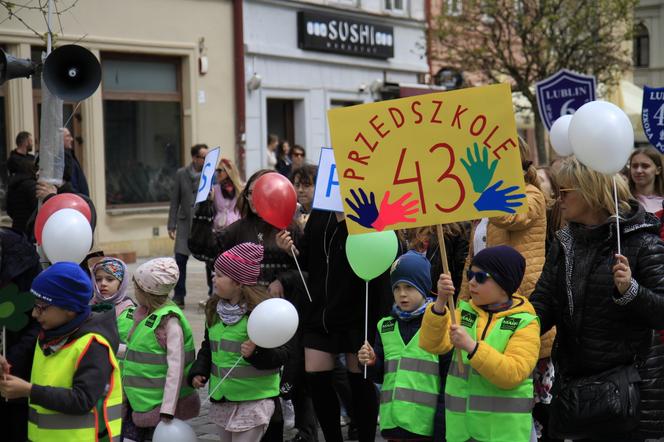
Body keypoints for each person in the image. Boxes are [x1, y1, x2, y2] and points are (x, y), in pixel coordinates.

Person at [530, 157, 664, 441]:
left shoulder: (642, 241)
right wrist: (507, 328)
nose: (557, 198)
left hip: (629, 392)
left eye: (564, 192)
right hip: (576, 390)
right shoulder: (564, 242)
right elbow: (543, 304)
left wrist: (631, 291)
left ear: (590, 192)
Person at [277, 211, 391, 442]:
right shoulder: (321, 212)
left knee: (359, 377)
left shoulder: (367, 206)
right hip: (321, 309)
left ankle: (365, 435)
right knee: (316, 375)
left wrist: (345, 223)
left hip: (357, 308)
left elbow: (380, 253)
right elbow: (308, 258)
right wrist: (291, 250)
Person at [420, 245, 541, 442]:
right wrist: (440, 303)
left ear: (504, 284)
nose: (472, 283)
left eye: (481, 277)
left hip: (502, 434)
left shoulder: (525, 323)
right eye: (470, 275)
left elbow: (513, 373)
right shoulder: (463, 311)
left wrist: (472, 347)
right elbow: (431, 345)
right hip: (461, 431)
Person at [0, 262, 122, 441]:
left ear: (69, 309)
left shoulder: (93, 344)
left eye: (41, 307)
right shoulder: (50, 336)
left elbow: (82, 400)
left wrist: (29, 391)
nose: (34, 314)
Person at [188, 243, 287, 441]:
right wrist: (199, 371)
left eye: (220, 275)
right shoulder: (214, 310)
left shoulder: (260, 314)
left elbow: (282, 355)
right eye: (214, 273)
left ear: (239, 282)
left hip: (254, 399)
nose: (213, 279)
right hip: (223, 399)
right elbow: (209, 348)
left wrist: (256, 353)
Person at [358, 250, 444, 441]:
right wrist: (371, 362)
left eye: (409, 287)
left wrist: (441, 428)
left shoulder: (438, 323)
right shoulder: (385, 325)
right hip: (392, 425)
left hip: (425, 426)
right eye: (397, 288)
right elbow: (380, 375)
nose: (402, 294)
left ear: (423, 287)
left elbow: (447, 381)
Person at [121, 257, 200, 442]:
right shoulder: (145, 314)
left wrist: (168, 408)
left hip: (159, 408)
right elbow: (139, 353)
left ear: (146, 292)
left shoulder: (170, 322)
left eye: (136, 288)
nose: (134, 292)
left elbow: (176, 367)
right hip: (139, 401)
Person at [459, 137, 547, 299]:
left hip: (518, 294)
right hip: (487, 294)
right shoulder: (486, 200)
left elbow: (512, 218)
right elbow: (474, 257)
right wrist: (462, 303)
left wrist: (482, 191)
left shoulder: (531, 194)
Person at [168, 143, 209, 307]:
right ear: (194, 158)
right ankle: (179, 296)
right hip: (185, 224)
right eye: (203, 157)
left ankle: (212, 294)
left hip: (203, 224)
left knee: (209, 261)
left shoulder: (210, 174)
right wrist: (171, 225)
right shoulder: (181, 174)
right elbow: (174, 200)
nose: (206, 160)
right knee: (180, 260)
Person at [202, 158, 244, 296]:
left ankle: (234, 289)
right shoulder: (215, 189)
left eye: (220, 170)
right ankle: (214, 291)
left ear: (229, 171)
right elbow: (209, 210)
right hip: (218, 231)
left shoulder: (240, 188)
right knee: (216, 263)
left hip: (236, 231)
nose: (217, 173)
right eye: (216, 170)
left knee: (234, 263)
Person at [6, 153, 37, 234]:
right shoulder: (31, 185)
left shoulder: (13, 184)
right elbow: (36, 208)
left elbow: (9, 209)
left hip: (16, 226)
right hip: (28, 228)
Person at [627, 147, 663, 214]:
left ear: (658, 170)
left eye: (645, 166)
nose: (638, 170)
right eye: (634, 166)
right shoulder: (622, 199)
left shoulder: (662, 200)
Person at [62, 127, 90, 196]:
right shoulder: (63, 157)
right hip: (74, 199)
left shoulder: (69, 155)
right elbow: (72, 182)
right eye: (68, 136)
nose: (72, 139)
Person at [292, 165, 317, 229]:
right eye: (297, 185)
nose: (300, 190)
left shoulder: (327, 216)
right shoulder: (292, 212)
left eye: (306, 185)